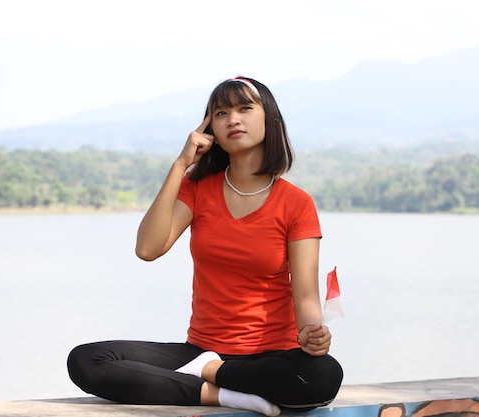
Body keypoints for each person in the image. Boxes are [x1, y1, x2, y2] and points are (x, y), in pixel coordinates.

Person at [67, 76, 343, 416]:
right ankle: (222, 394)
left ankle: (211, 375)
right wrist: (181, 165)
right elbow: (148, 249)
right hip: (202, 349)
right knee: (87, 360)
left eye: (245, 108)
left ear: (269, 119)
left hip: (273, 355)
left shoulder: (296, 203)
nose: (233, 119)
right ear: (209, 126)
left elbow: (304, 295)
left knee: (323, 375)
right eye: (221, 112)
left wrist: (310, 333)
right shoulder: (198, 188)